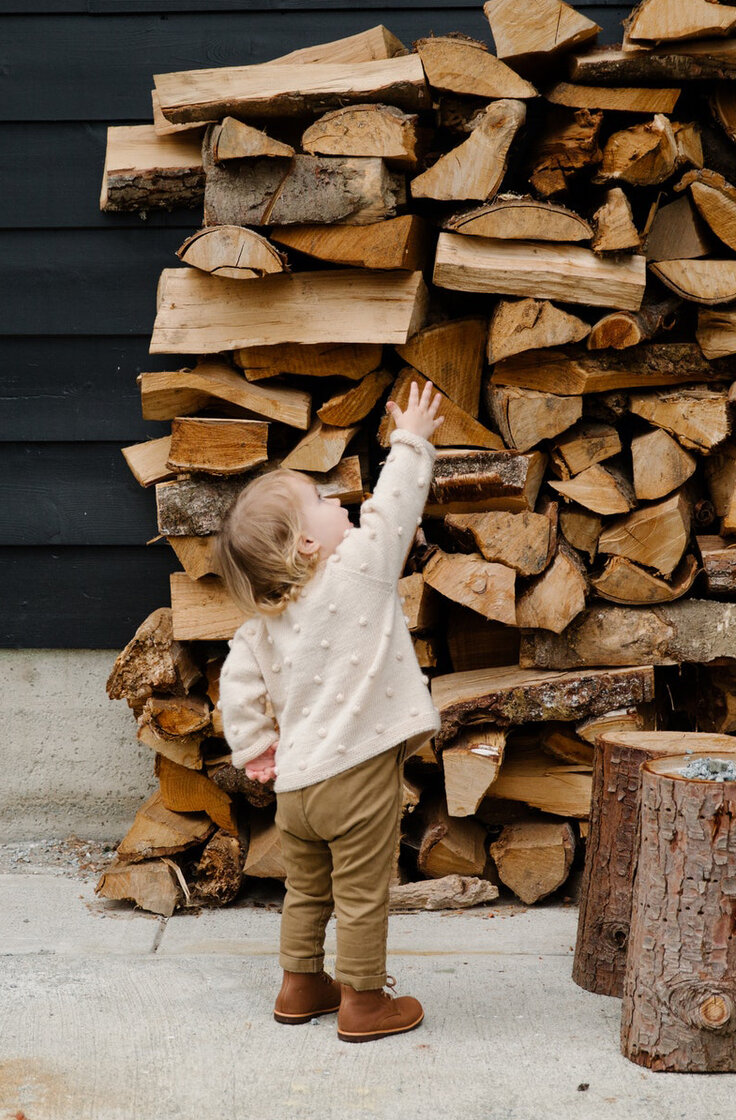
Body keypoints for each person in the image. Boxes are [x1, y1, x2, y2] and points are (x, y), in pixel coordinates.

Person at [214, 380, 444, 1042]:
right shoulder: (359, 572)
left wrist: (254, 747)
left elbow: (237, 680)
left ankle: (299, 984)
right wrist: (411, 440)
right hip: (356, 776)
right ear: (306, 545)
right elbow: (394, 510)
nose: (338, 499)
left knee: (307, 891)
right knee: (364, 894)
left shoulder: (266, 621)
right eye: (320, 500)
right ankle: (365, 1002)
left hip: (297, 787)